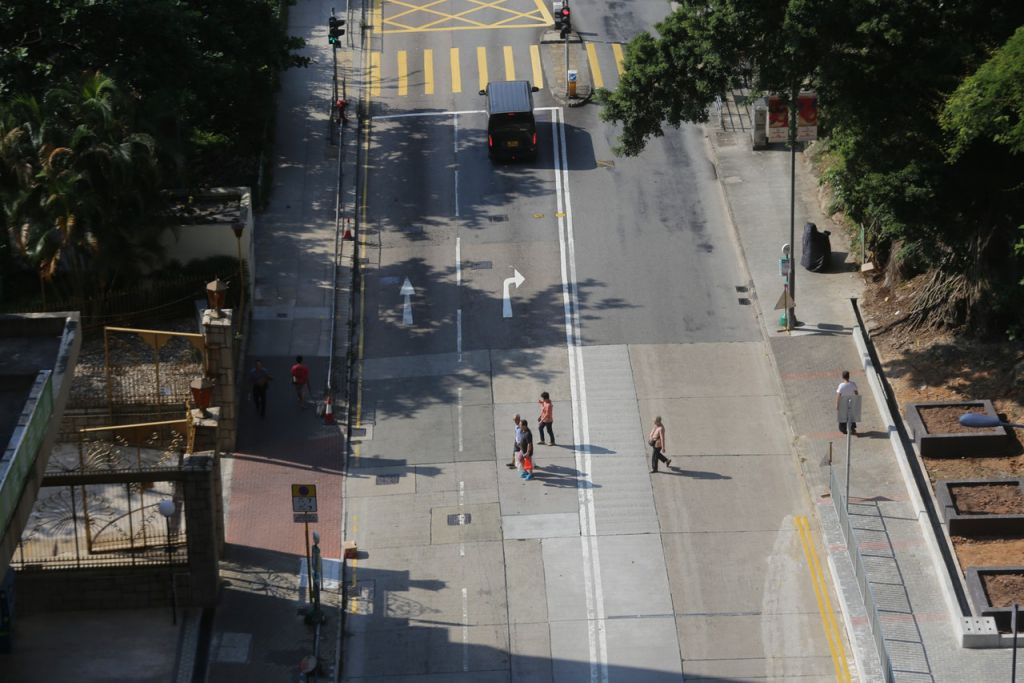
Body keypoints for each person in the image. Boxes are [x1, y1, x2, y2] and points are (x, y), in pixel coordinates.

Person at [836, 370, 859, 435]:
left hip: (843, 404)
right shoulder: (853, 384)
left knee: (843, 418)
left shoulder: (841, 386)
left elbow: (838, 396)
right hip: (851, 403)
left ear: (842, 377)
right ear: (849, 376)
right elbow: (856, 393)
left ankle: (844, 430)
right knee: (851, 417)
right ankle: (852, 428)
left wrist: (837, 405)